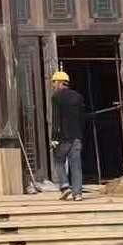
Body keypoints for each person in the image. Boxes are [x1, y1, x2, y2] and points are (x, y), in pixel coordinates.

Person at [50, 69, 85, 201]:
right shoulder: (78, 96)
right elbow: (82, 118)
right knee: (76, 165)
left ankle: (65, 186)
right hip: (76, 137)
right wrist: (80, 135)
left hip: (63, 138)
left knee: (58, 160)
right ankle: (78, 194)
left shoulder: (56, 97)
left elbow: (56, 118)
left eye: (54, 82)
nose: (53, 85)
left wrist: (54, 138)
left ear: (59, 83)